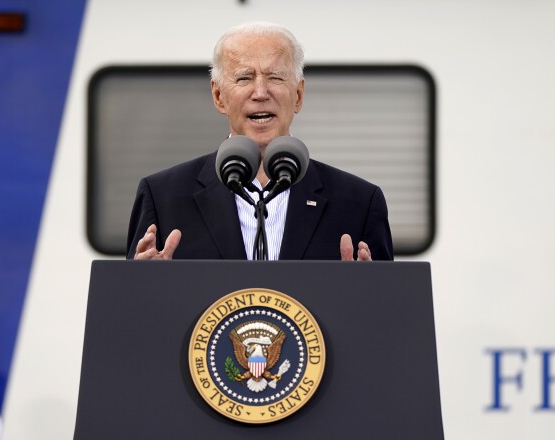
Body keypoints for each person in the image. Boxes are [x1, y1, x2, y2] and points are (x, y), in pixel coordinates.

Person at [126, 21, 393, 261]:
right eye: (244, 78)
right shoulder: (162, 197)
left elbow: (389, 311)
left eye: (275, 77)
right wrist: (145, 286)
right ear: (219, 96)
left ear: (298, 95)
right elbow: (127, 311)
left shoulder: (360, 203)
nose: (261, 92)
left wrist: (365, 292)